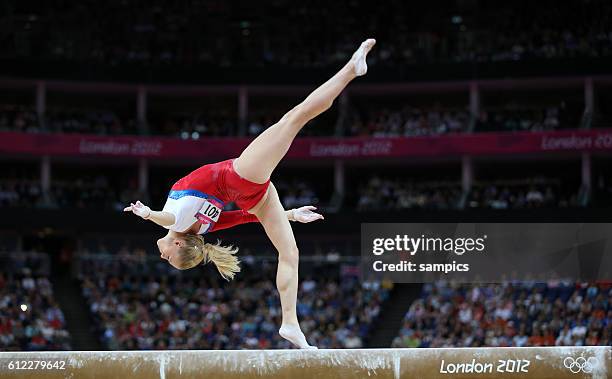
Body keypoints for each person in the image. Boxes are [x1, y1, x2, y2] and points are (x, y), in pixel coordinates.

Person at [124, 38, 376, 349]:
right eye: (169, 257)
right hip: (240, 176)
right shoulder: (175, 224)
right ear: (178, 242)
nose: (163, 256)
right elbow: (169, 218)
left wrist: (289, 215)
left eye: (168, 259)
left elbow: (245, 217)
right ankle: (351, 69)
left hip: (252, 193)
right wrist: (147, 213)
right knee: (295, 118)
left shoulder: (202, 226)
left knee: (291, 253)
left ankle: (290, 324)